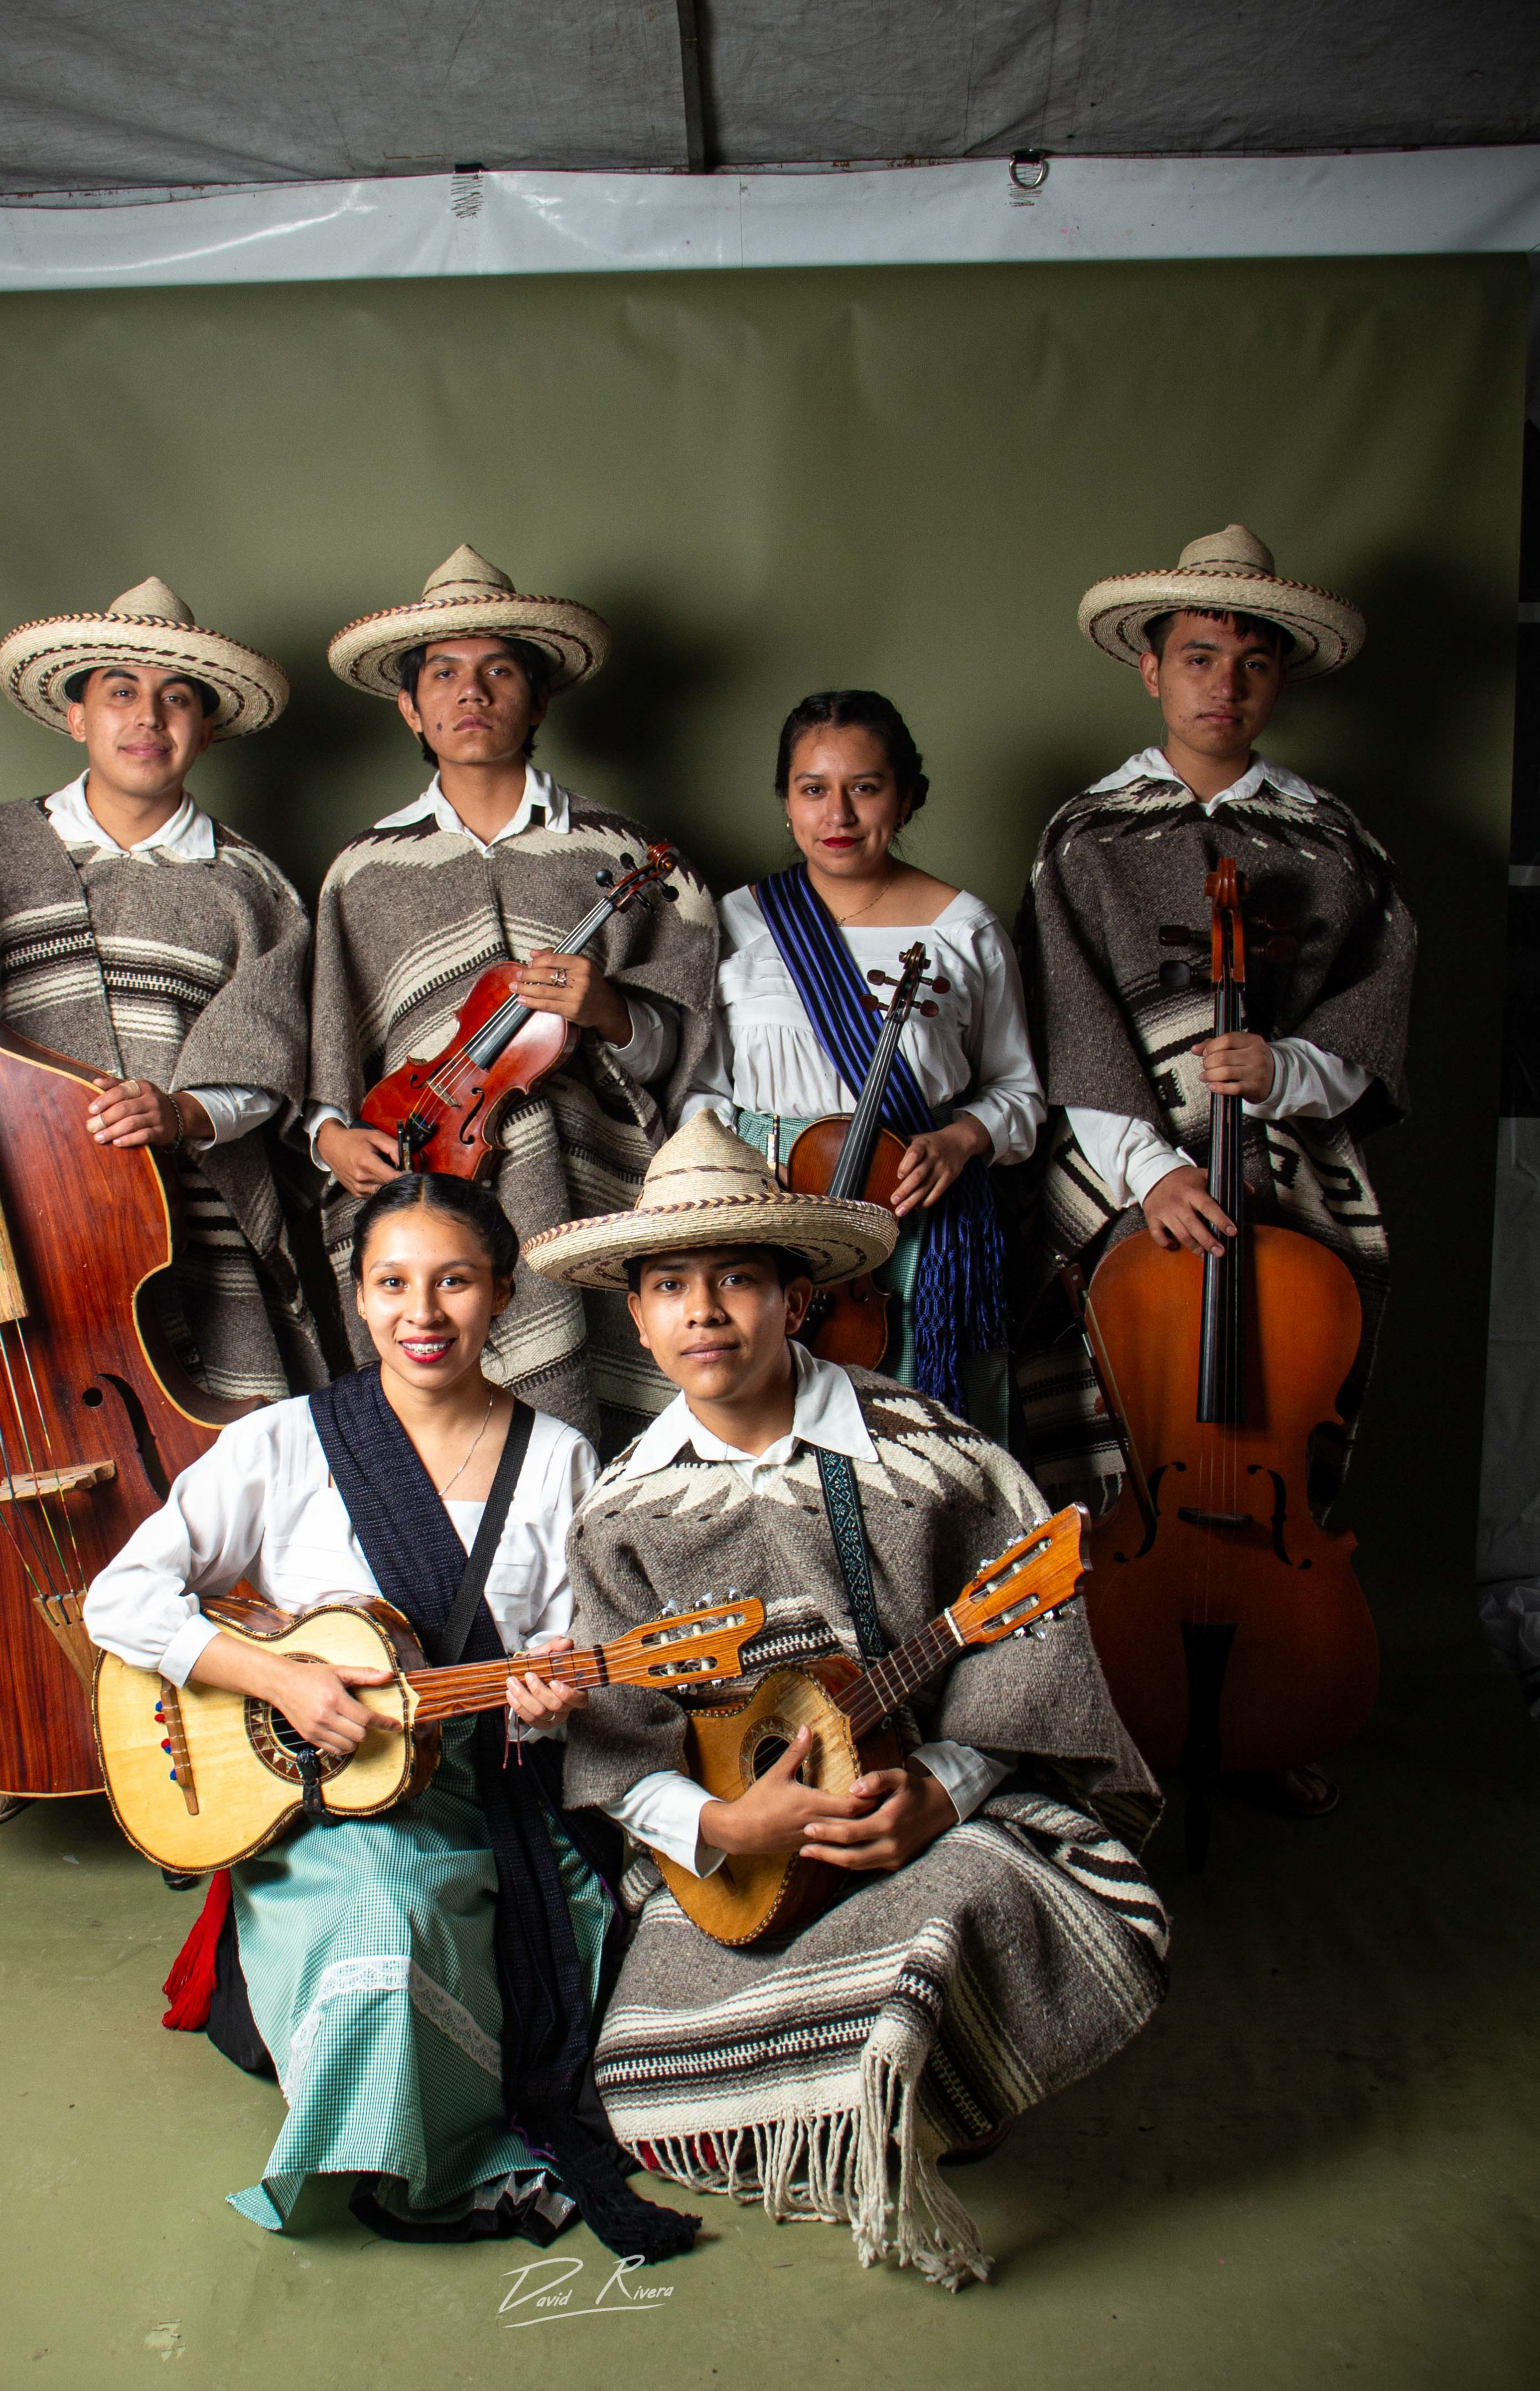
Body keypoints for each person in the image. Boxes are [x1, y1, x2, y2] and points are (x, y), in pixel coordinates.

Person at [523, 1115, 1167, 2286]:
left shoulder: (929, 1453)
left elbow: (1033, 1656)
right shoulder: (621, 1512)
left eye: (738, 1280)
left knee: (957, 1915)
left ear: (797, 1298)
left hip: (922, 1817)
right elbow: (623, 1752)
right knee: (642, 2072)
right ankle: (863, 2076)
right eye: (670, 1286)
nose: (704, 1311)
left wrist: (942, 1789)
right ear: (637, 1319)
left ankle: (922, 2055)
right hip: (736, 1857)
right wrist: (722, 1828)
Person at [86, 1173, 698, 2259]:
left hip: (486, 1783)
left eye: (455, 1281)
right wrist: (275, 1682)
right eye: (394, 1283)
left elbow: (561, 1670)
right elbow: (119, 1600)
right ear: (359, 1299)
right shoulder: (283, 1443)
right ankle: (421, 2164)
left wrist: (545, 1699)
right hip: (319, 1806)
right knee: (387, 1918)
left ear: (503, 1295)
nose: (424, 1313)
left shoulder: (558, 1461)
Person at [0, 577, 325, 1826]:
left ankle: (224, 1724)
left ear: (205, 728)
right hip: (8, 1230)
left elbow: (275, 1072)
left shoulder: (255, 890)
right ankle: (8, 1716)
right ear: (75, 714)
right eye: (119, 693)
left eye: (175, 699)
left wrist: (180, 1111)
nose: (146, 719)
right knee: (15, 1456)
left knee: (228, 1472)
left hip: (188, 1236)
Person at [1015, 525, 1416, 1817]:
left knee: (1290, 1404)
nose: (1222, 686)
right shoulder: (1087, 838)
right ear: (1151, 671)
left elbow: (1378, 1006)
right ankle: (1114, 1691)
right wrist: (1146, 1173)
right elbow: (1067, 1012)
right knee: (1112, 1420)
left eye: (1249, 664)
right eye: (1197, 658)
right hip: (1124, 1162)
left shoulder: (1331, 839)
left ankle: (1279, 1689)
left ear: (1278, 682)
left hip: (1286, 1159)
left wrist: (1289, 1072)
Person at [306, 546, 718, 1446]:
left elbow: (695, 1057)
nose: (472, 694)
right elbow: (333, 1049)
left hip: (592, 1179)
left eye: (499, 672)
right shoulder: (363, 873)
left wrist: (610, 1011)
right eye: (444, 675)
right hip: (430, 1177)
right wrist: (333, 1134)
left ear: (539, 697)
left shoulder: (622, 851)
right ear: (410, 706)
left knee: (599, 1437)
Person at [683, 689, 1043, 1438]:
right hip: (768, 1223)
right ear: (786, 800)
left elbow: (1020, 1091)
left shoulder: (964, 927)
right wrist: (735, 1176)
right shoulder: (734, 921)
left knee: (923, 1444)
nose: (837, 816)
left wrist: (963, 1139)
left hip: (916, 1225)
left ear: (907, 799)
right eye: (813, 789)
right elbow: (700, 1089)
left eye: (866, 789)